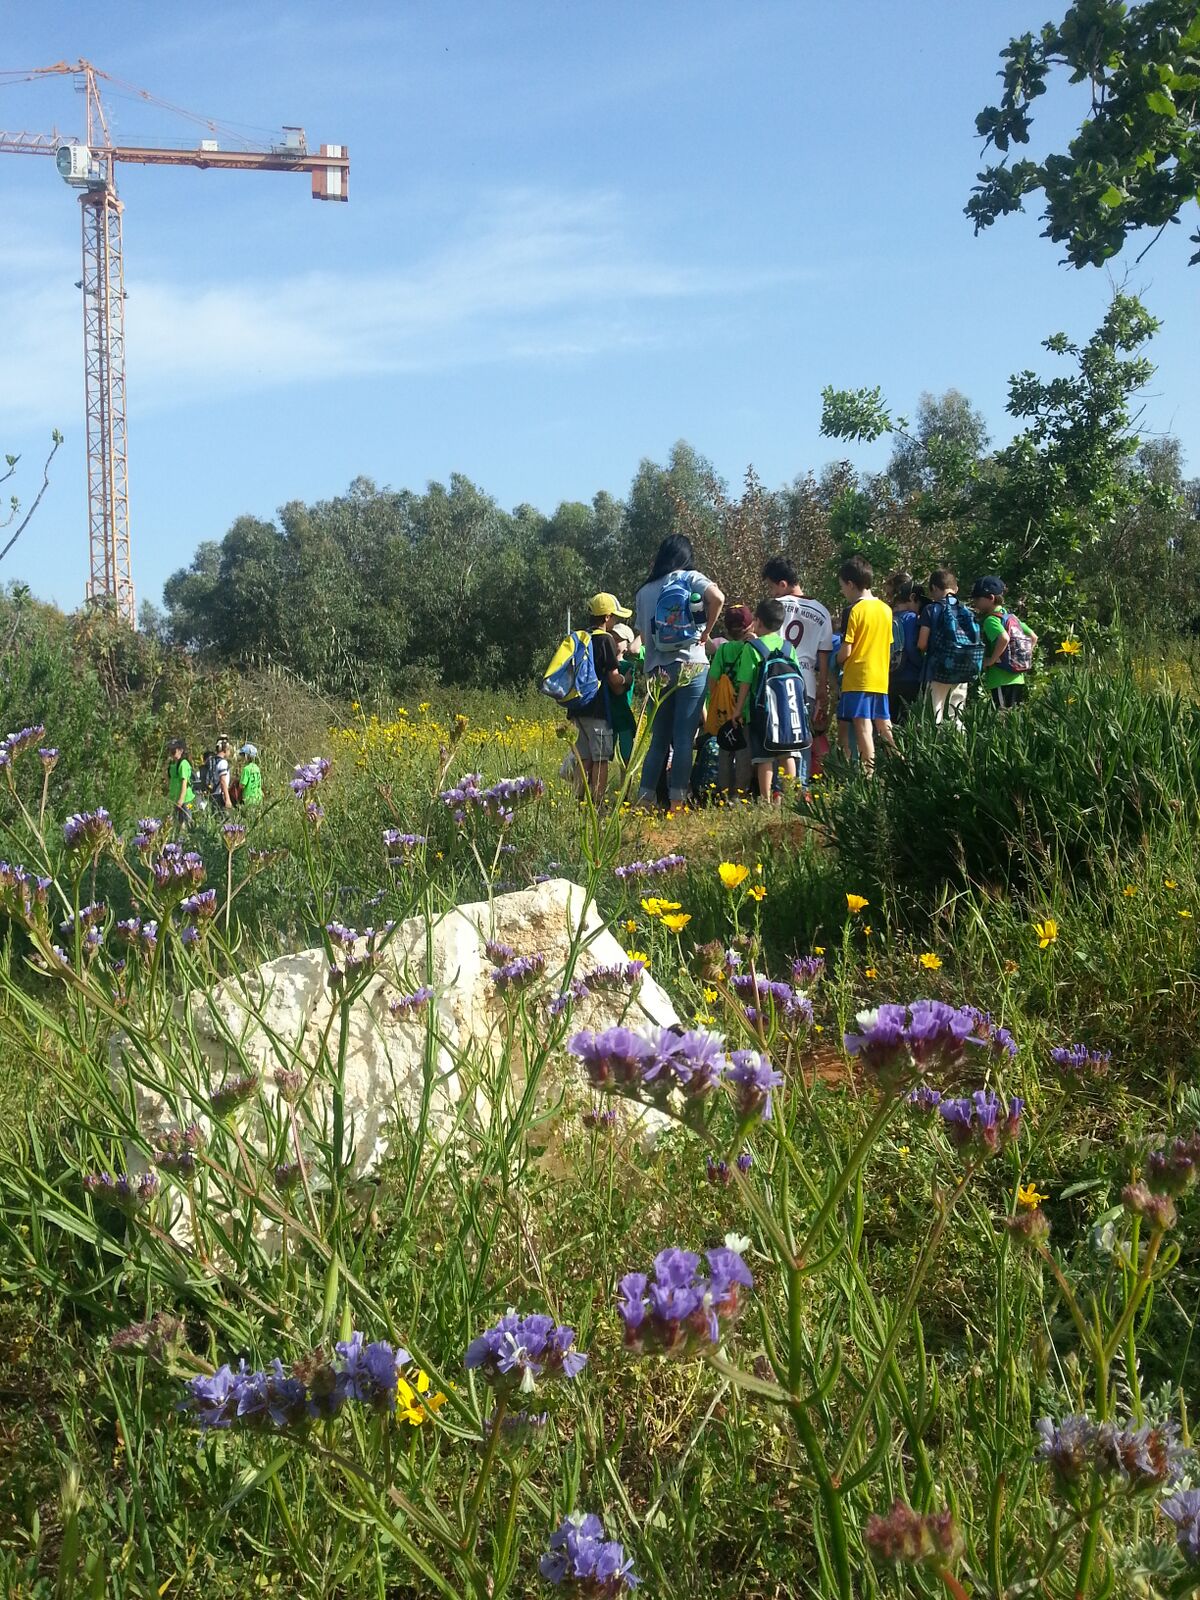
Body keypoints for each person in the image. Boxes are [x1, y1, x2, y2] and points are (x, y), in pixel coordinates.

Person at [633, 536, 724, 810]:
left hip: (657, 669)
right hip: (693, 664)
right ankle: (676, 801)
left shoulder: (644, 591)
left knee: (659, 738)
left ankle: (644, 798)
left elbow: (646, 639)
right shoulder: (690, 577)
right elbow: (717, 597)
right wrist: (706, 631)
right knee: (684, 738)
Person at [762, 556, 833, 784]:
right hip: (806, 683)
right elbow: (824, 655)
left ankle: (776, 787)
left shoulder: (775, 608)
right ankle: (799, 786)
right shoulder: (821, 611)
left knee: (774, 733)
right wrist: (823, 688)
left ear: (783, 584)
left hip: (775, 679)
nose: (771, 592)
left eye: (772, 586)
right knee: (802, 736)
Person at [731, 598, 803, 802]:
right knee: (787, 754)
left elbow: (745, 682)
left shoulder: (753, 648)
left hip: (762, 711)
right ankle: (789, 798)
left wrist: (738, 710)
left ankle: (766, 800)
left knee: (764, 758)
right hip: (788, 711)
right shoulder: (789, 648)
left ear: (758, 621)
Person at [836, 556, 898, 776]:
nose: (843, 591)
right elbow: (889, 644)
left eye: (843, 586)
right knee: (884, 724)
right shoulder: (886, 610)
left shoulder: (853, 610)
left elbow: (847, 651)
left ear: (851, 584)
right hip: (880, 677)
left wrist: (837, 659)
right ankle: (901, 765)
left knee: (863, 726)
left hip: (857, 677)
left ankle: (868, 774)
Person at [567, 592, 631, 803]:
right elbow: (613, 679)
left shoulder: (581, 637)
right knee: (602, 758)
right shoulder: (605, 640)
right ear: (606, 617)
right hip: (597, 708)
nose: (615, 622)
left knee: (584, 757)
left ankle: (576, 800)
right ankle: (597, 803)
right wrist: (626, 679)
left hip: (578, 707)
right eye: (614, 617)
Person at [918, 568, 982, 726]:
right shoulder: (966, 610)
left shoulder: (931, 609)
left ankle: (934, 747)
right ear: (956, 589)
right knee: (956, 715)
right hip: (963, 668)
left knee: (934, 714)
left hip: (938, 671)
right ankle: (958, 748)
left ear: (933, 588)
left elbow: (922, 643)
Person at [706, 603, 754, 796]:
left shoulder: (723, 651)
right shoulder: (751, 648)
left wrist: (715, 701)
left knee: (725, 752)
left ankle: (724, 791)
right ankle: (740, 793)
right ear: (749, 626)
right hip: (745, 710)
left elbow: (712, 679)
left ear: (726, 628)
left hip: (724, 710)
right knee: (743, 752)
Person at [971, 577, 1036, 710]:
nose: (974, 602)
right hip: (1018, 677)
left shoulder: (991, 620)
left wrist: (991, 660)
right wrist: (1021, 656)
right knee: (1014, 718)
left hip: (1000, 678)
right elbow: (1033, 637)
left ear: (991, 598)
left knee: (1003, 717)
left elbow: (1004, 638)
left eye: (977, 599)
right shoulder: (1012, 618)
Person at [887, 572, 925, 724]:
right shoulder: (911, 618)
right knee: (909, 725)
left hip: (889, 677)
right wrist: (921, 666)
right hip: (910, 677)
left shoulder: (887, 616)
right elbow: (910, 646)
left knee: (892, 723)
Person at [608, 624, 639, 767]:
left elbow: (618, 690)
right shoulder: (606, 663)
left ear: (626, 645)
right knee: (603, 757)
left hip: (623, 717)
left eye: (618, 639)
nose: (614, 641)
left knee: (627, 759)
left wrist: (619, 680)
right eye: (612, 637)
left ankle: (625, 788)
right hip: (607, 716)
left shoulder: (627, 666)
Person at [166, 738, 194, 829]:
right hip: (175, 798)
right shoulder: (173, 765)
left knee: (187, 821)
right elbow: (169, 780)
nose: (171, 754)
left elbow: (184, 782)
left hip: (186, 799)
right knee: (176, 823)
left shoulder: (184, 764)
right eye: (170, 751)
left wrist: (181, 799)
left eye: (173, 751)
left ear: (180, 751)